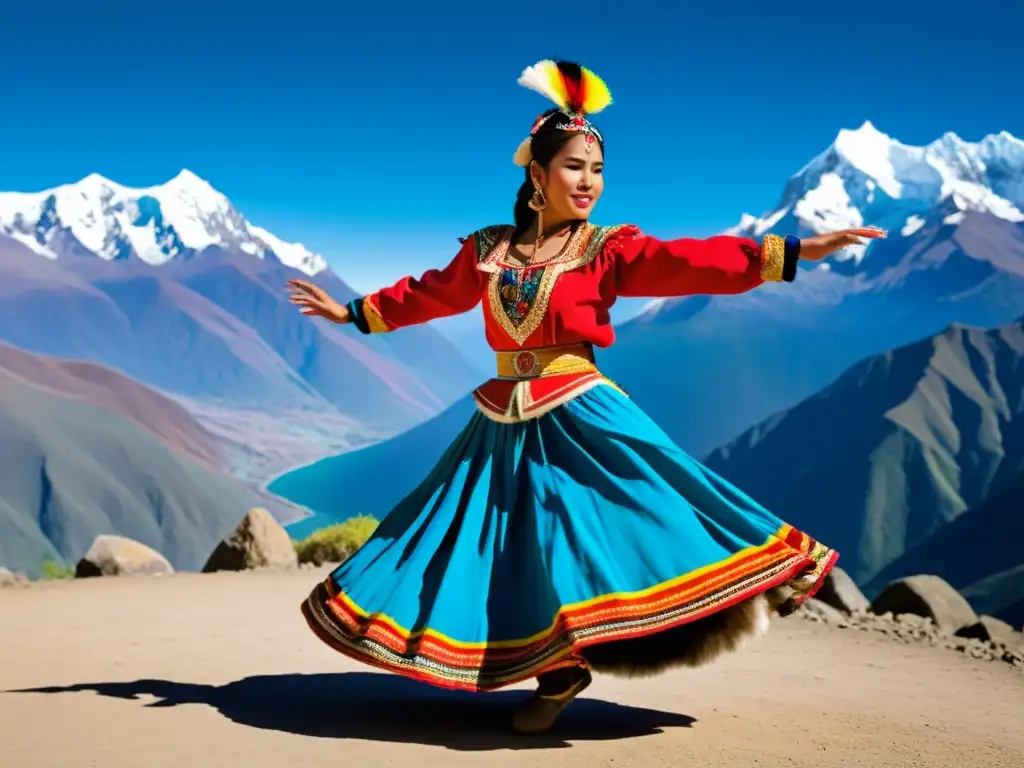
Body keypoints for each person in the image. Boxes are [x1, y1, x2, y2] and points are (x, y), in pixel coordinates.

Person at [286, 59, 886, 735]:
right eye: (574, 167)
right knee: (495, 543)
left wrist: (792, 252)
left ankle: (744, 583)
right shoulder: (487, 252)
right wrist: (355, 313)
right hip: (502, 415)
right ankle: (557, 668)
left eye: (597, 171)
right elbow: (430, 292)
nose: (589, 183)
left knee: (613, 522)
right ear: (536, 176)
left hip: (578, 409)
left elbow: (690, 260)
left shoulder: (606, 250)